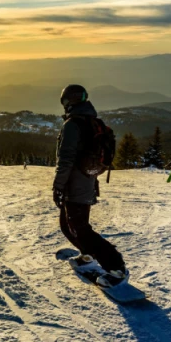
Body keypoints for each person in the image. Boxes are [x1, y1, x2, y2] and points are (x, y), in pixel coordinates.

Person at [53, 84, 127, 287]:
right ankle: (88, 255)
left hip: (76, 184)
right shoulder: (93, 122)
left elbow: (65, 159)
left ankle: (116, 267)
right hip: (86, 182)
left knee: (80, 229)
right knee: (69, 226)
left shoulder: (72, 125)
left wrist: (58, 186)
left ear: (67, 102)